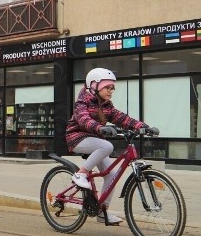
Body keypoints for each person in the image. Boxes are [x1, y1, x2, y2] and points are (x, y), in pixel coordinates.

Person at [65, 67, 159, 225]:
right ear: (94, 85)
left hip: (96, 141)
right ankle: (80, 174)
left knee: (111, 175)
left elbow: (122, 118)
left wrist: (143, 126)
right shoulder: (82, 102)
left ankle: (102, 212)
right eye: (107, 87)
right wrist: (100, 128)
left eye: (112, 88)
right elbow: (83, 119)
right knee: (107, 146)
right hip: (77, 138)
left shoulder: (107, 105)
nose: (111, 91)